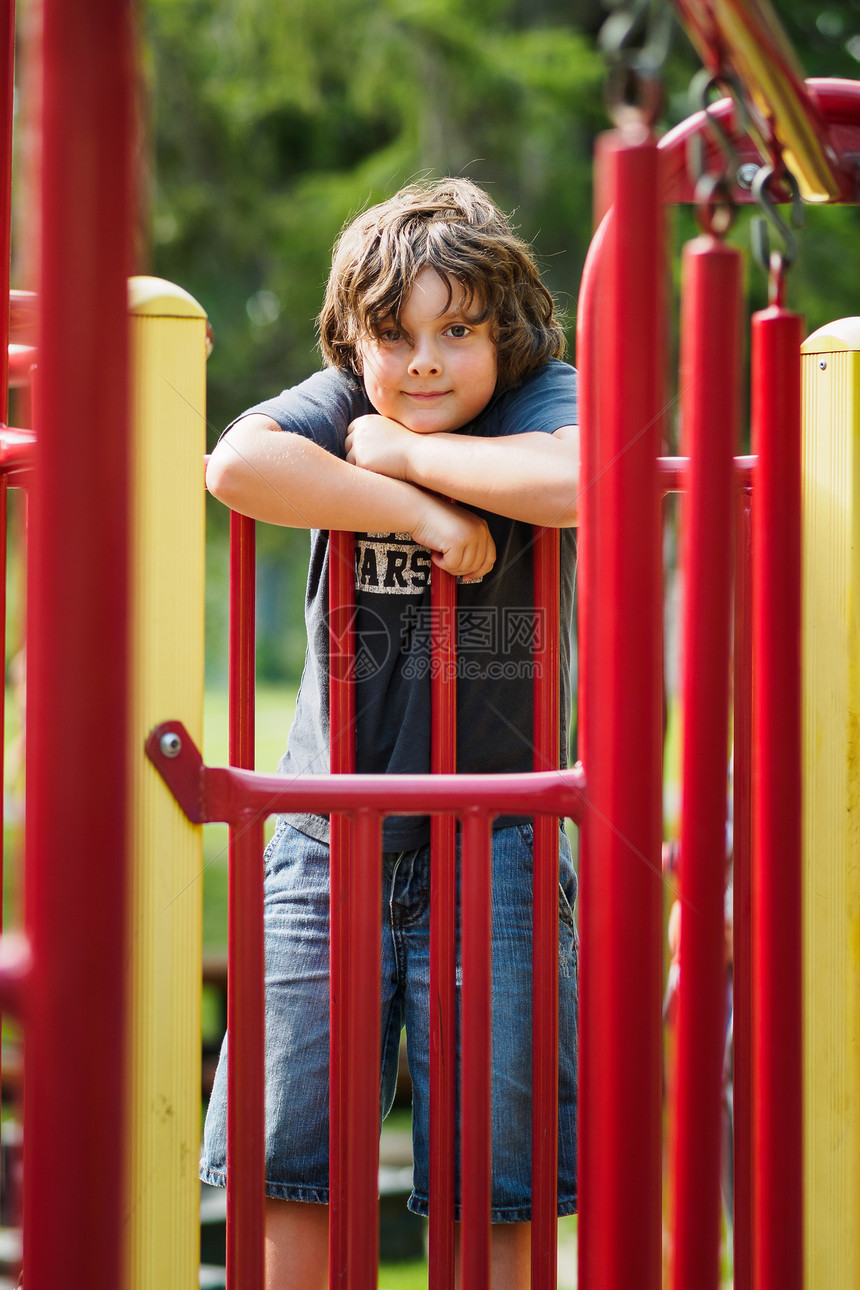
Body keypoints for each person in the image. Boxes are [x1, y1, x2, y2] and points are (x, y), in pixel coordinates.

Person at [201, 177, 580, 1290]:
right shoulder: (336, 402)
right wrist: (416, 516)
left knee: (497, 1174)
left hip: (498, 840)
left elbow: (574, 480)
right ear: (351, 341)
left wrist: (403, 459)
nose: (421, 363)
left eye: (453, 333)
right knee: (291, 1164)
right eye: (392, 336)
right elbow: (235, 465)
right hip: (329, 837)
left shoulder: (531, 402)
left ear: (501, 336)